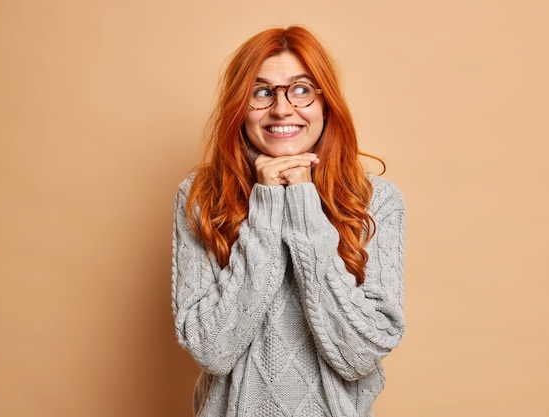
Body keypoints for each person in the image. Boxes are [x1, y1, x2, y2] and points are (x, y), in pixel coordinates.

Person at [172, 25, 405, 417]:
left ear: (326, 103)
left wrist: (301, 203)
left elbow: (360, 354)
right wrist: (266, 205)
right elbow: (211, 349)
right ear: (239, 107)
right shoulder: (201, 195)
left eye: (301, 89)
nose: (282, 109)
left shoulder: (376, 200)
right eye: (261, 92)